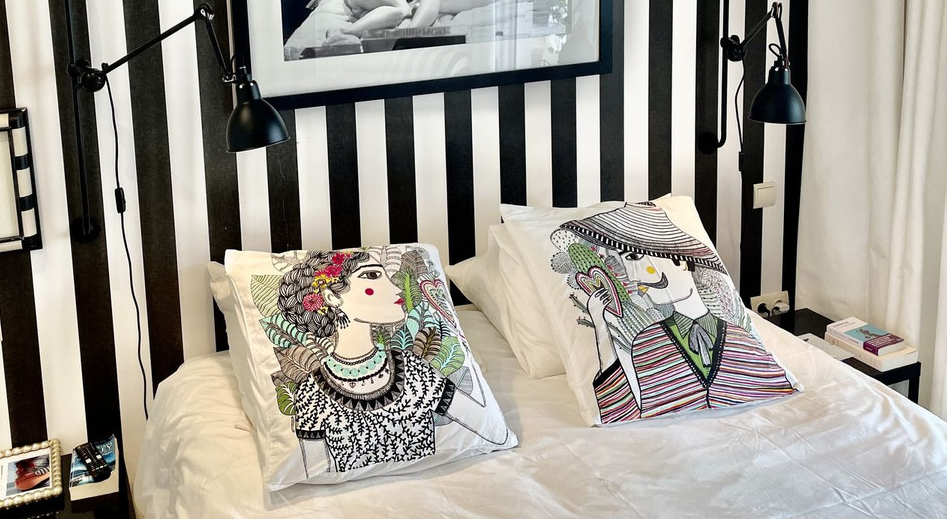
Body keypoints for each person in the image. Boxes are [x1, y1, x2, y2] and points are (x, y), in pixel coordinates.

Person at [554, 203, 799, 423]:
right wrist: (602, 328)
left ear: (680, 258)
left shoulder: (741, 338)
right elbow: (618, 411)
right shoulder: (646, 343)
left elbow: (773, 382)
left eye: (634, 256)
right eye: (624, 262)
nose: (633, 276)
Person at [274, 249, 510, 476]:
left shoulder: (413, 371)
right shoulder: (312, 393)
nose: (396, 288)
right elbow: (310, 470)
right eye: (372, 275)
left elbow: (492, 433)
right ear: (331, 296)